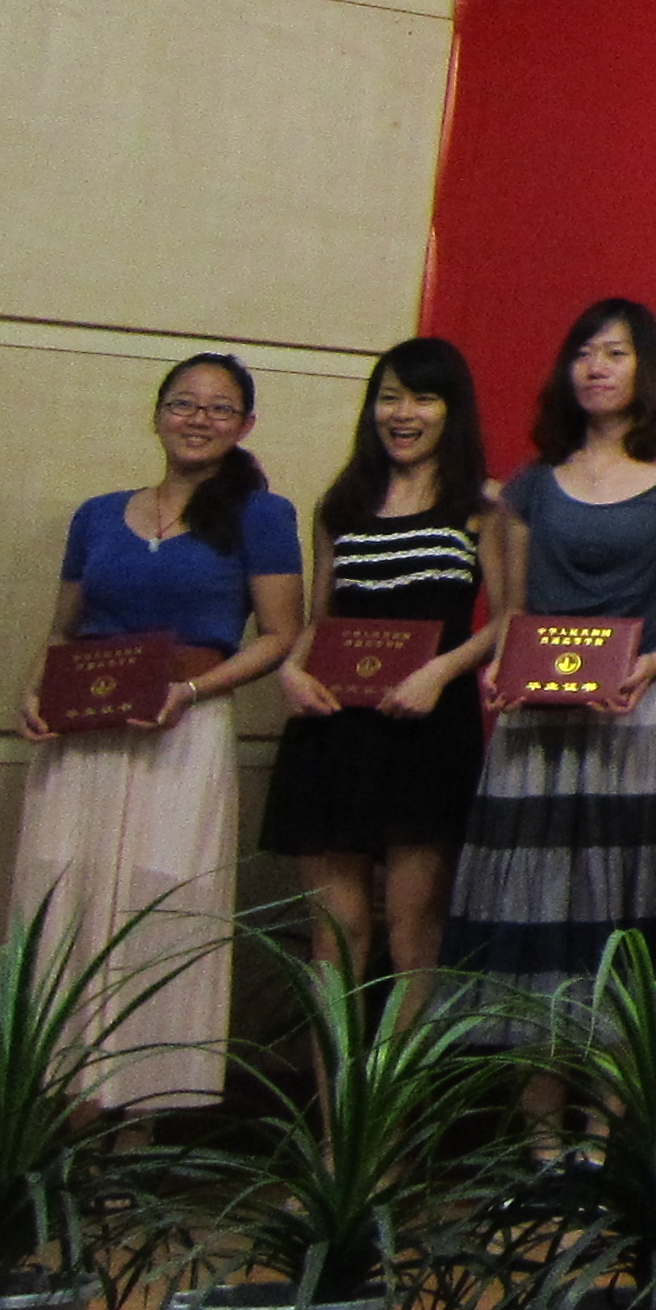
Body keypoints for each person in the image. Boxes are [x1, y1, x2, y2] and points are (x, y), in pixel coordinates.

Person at [16, 352, 302, 1113]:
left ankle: (142, 1116)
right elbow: (63, 629)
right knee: (66, 896)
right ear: (157, 414)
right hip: (83, 734)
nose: (198, 419)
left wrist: (191, 691)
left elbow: (281, 636)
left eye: (219, 408)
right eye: (183, 403)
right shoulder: (96, 515)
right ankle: (63, 1107)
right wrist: (35, 691)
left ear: (244, 425)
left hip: (182, 728)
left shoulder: (263, 516)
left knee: (162, 903)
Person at [447, 300, 656, 1090]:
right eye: (585, 353)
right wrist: (501, 668)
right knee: (538, 907)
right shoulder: (530, 487)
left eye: (616, 353)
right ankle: (539, 1132)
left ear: (646, 370)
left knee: (623, 910)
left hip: (638, 711)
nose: (597, 368)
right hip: (537, 716)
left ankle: (606, 1127)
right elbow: (512, 613)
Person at [266, 337, 503, 1019]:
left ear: (452, 410)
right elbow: (320, 619)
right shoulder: (340, 505)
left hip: (428, 730)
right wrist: (290, 670)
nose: (403, 414)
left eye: (423, 398)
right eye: (389, 397)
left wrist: (440, 672)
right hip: (333, 731)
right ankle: (338, 1092)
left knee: (413, 934)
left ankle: (398, 1091)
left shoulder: (482, 504)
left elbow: (508, 619)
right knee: (336, 935)